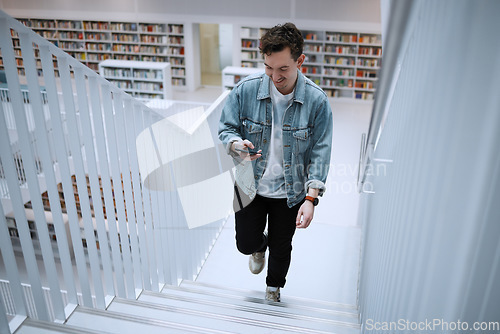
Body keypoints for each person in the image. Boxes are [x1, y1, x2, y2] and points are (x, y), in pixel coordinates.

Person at [218, 22, 333, 302]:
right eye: (269, 68)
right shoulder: (245, 90)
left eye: (283, 69)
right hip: (249, 182)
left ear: (300, 60)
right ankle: (259, 247)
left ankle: (273, 291)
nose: (275, 76)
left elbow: (320, 151)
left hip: (289, 191)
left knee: (282, 247)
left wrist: (311, 198)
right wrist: (235, 144)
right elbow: (226, 128)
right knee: (244, 244)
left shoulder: (317, 102)